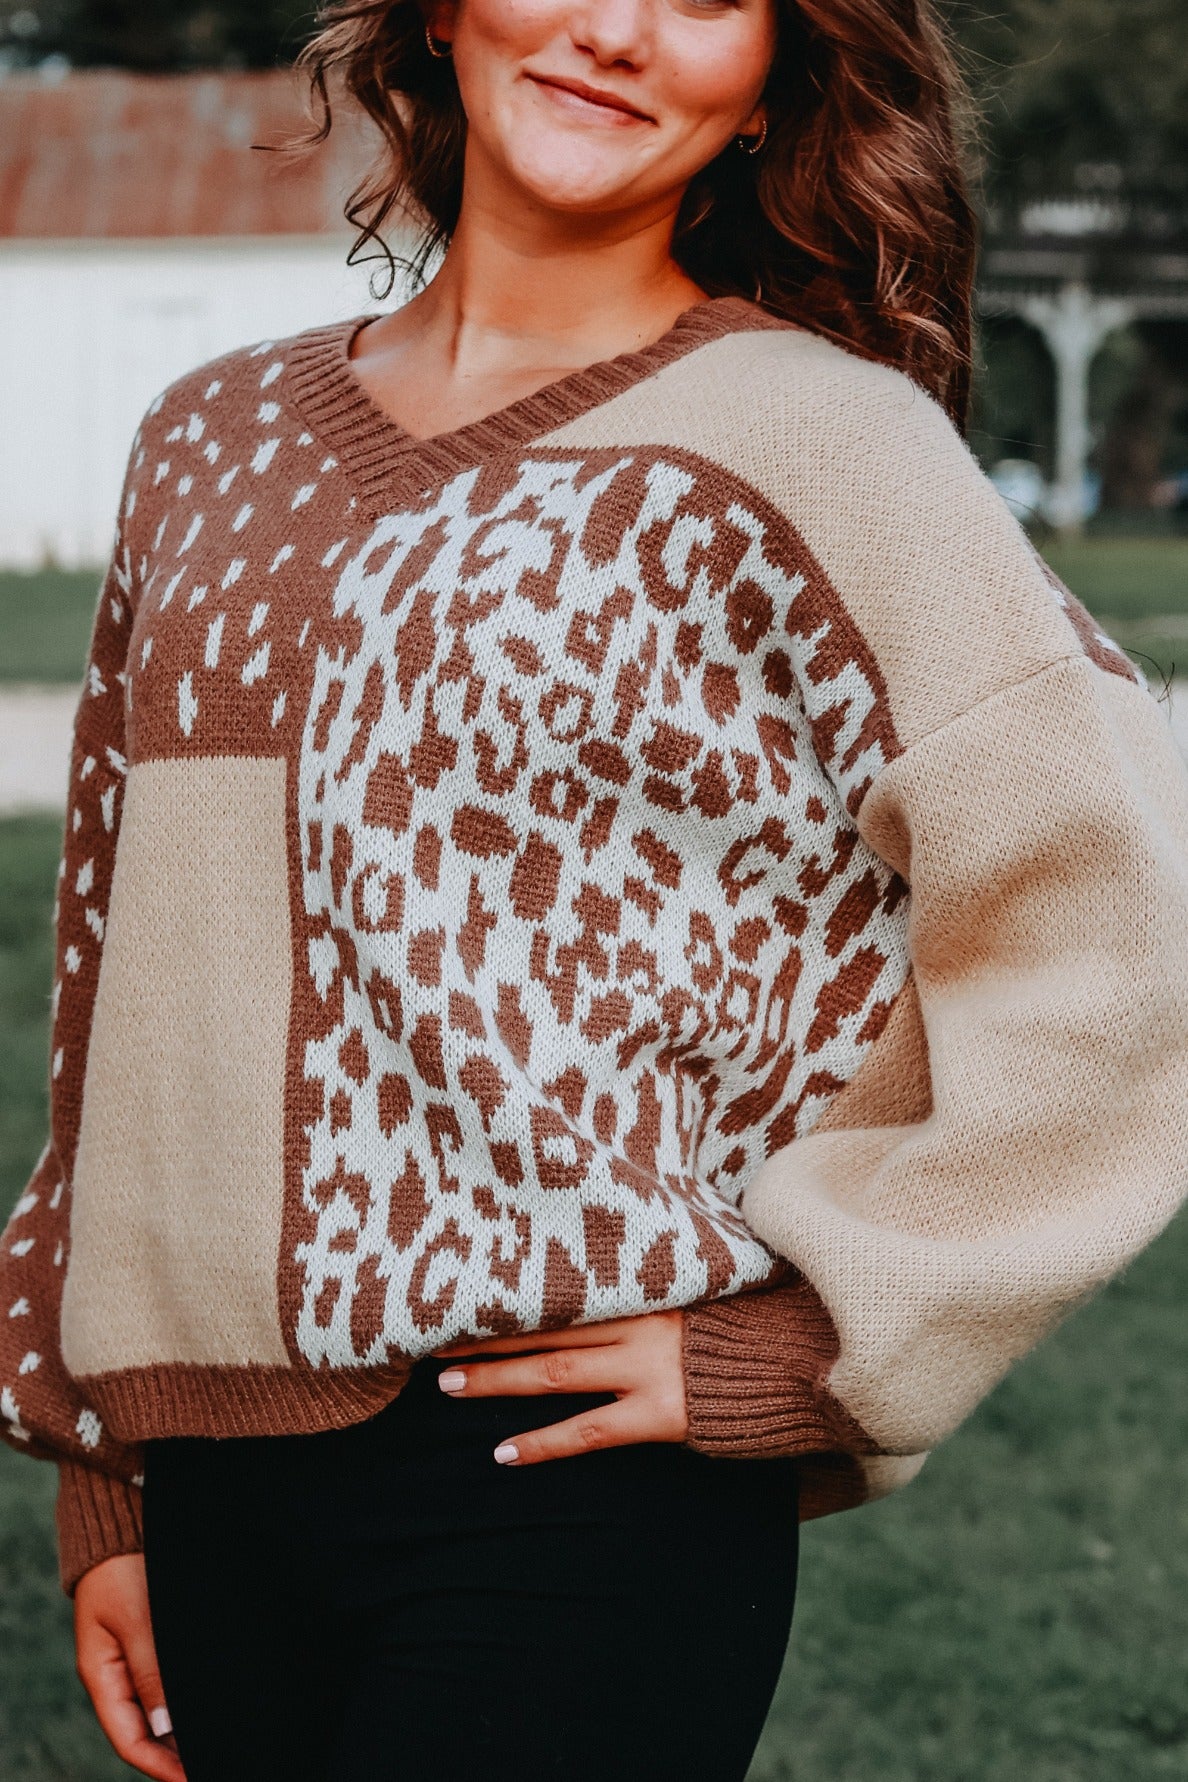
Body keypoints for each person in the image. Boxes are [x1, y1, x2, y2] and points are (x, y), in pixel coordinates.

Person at [4, 1, 1188, 1778]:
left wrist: (831, 1328)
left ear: (772, 83)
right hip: (219, 1482)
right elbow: (115, 964)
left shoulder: (824, 443)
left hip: (581, 1496)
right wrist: (103, 1453)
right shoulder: (208, 438)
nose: (617, 31)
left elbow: (1120, 923)